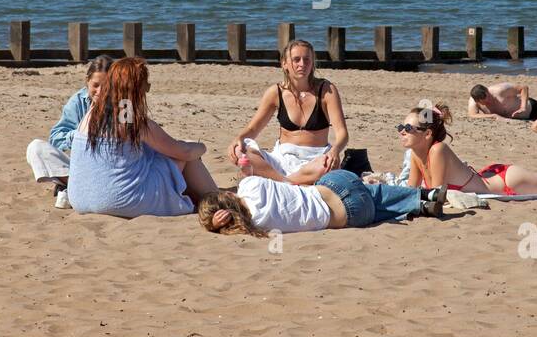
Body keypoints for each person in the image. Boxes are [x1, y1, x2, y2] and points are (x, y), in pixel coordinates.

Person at [67, 57, 218, 218]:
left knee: (158, 154)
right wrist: (202, 147)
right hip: (122, 201)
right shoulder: (133, 121)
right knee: (186, 152)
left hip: (80, 200)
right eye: (145, 86)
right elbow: (184, 152)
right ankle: (216, 199)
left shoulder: (90, 113)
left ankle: (207, 196)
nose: (148, 89)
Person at [401, 98, 537, 197]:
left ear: (427, 134)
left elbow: (435, 193)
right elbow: (411, 191)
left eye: (408, 128)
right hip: (490, 176)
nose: (402, 131)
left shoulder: (437, 150)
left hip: (509, 182)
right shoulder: (416, 154)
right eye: (401, 127)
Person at [227, 39, 349, 184]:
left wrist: (334, 150)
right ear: (284, 63)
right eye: (296, 60)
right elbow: (253, 128)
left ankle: (280, 182)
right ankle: (288, 182)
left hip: (315, 159)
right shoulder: (275, 92)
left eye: (307, 60)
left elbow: (342, 133)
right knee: (241, 151)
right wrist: (238, 139)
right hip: (282, 159)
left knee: (327, 165)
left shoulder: (326, 90)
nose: (302, 64)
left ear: (312, 63)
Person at [197, 169, 446, 237]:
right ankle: (425, 195)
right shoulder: (249, 186)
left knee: (373, 207)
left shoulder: (256, 225)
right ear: (227, 196)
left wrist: (219, 227)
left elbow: (240, 224)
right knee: (371, 192)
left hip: (355, 217)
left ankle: (421, 207)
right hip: (338, 186)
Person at [25, 55, 113, 185]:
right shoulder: (77, 101)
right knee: (35, 148)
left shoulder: (124, 102)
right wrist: (80, 135)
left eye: (106, 86)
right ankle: (72, 186)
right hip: (83, 166)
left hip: (112, 169)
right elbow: (55, 139)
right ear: (87, 81)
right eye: (96, 85)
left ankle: (70, 188)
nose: (100, 91)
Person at [468, 82, 537, 121]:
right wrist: (493, 116)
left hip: (532, 109)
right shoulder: (473, 101)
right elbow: (472, 115)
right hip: (519, 118)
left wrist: (523, 107)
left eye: (488, 97)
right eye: (484, 102)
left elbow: (524, 88)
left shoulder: (500, 90)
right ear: (476, 101)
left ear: (487, 91)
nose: (488, 101)